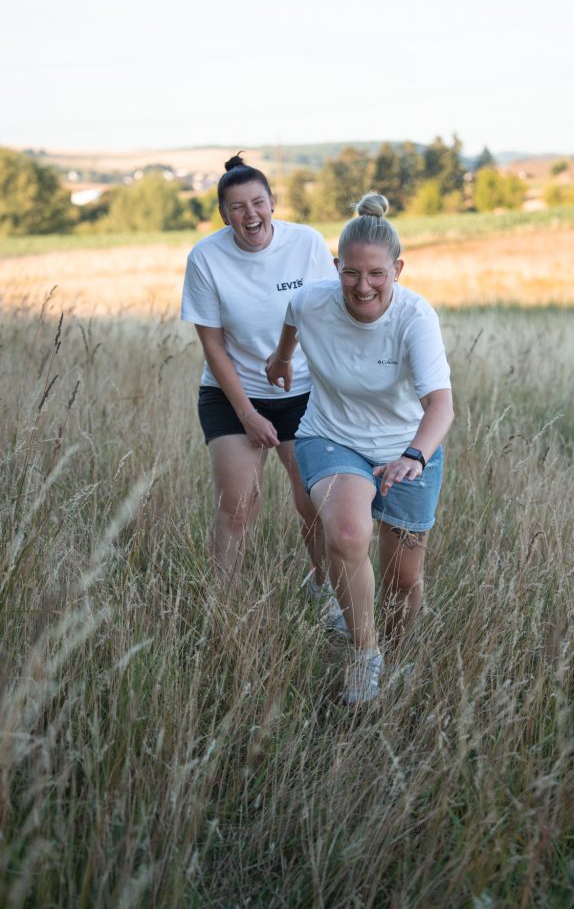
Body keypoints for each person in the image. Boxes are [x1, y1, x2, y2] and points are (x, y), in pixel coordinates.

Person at [266, 193, 454, 704]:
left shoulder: (415, 317)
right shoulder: (313, 301)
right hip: (332, 437)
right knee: (348, 533)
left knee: (403, 579)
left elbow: (441, 406)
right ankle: (364, 654)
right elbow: (293, 315)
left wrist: (413, 456)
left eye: (376, 274)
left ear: (397, 269)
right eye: (351, 273)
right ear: (336, 268)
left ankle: (397, 654)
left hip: (408, 449)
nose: (363, 286)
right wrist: (281, 358)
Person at [181, 153, 349, 634]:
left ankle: (324, 592)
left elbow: (329, 314)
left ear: (273, 202)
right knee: (238, 506)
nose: (250, 214)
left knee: (313, 501)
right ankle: (223, 610)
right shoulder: (205, 258)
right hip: (232, 394)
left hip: (303, 392)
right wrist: (248, 415)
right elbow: (213, 347)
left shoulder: (306, 243)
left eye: (258, 202)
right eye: (237, 207)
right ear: (223, 215)